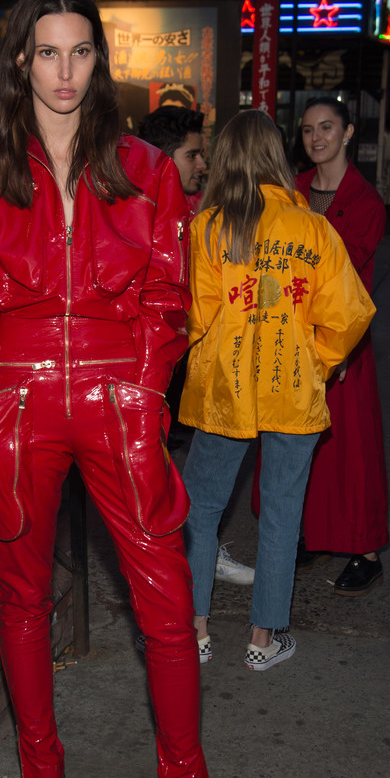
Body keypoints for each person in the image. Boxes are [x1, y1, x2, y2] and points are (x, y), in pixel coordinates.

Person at [0, 0, 226, 778]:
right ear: (22, 59)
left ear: (100, 61)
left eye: (82, 52)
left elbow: (169, 297)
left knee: (169, 610)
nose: (65, 72)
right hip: (17, 404)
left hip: (118, 400)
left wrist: (142, 391)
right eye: (48, 52)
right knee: (24, 601)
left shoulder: (145, 169)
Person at [179, 110, 375, 670]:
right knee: (284, 510)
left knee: (202, 507)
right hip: (291, 386)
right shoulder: (313, 227)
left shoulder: (209, 227)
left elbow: (193, 318)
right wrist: (320, 361)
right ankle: (264, 638)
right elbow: (349, 313)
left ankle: (196, 629)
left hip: (225, 388)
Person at [137, 105, 254, 599]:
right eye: (192, 154)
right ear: (163, 158)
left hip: (192, 350)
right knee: (153, 462)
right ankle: (167, 557)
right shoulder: (135, 208)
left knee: (193, 458)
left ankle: (195, 546)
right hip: (150, 355)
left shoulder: (195, 206)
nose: (201, 164)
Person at [295, 96, 389, 595]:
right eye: (309, 129)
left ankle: (366, 550)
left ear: (348, 132)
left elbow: (350, 279)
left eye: (327, 128)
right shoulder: (294, 190)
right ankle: (310, 533)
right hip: (294, 338)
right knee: (302, 444)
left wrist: (339, 344)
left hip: (344, 341)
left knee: (350, 449)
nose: (317, 138)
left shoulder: (366, 201)